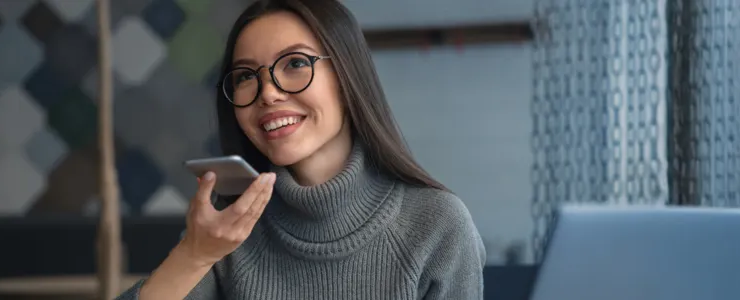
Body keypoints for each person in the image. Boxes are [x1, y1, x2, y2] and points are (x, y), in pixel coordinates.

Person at [118, 0, 485, 298]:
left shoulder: (438, 227)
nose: (268, 93)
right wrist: (194, 255)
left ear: (346, 76)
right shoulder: (227, 227)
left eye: (295, 63)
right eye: (246, 76)